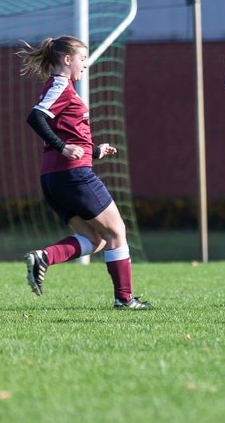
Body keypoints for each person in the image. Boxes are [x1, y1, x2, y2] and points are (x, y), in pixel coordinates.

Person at [18, 36, 148, 309]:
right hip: (72, 175)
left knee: (95, 239)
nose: (85, 65)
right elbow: (36, 117)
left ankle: (44, 257)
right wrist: (63, 147)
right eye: (83, 59)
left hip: (55, 177)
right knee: (117, 232)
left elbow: (65, 129)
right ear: (67, 60)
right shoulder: (60, 84)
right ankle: (124, 300)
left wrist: (95, 151)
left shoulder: (59, 87)